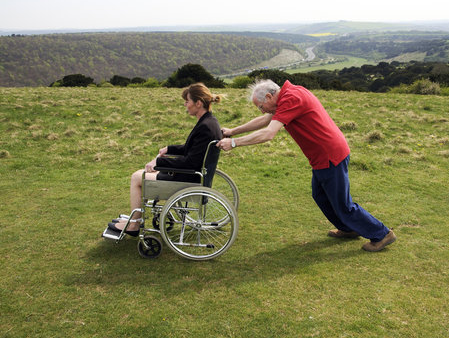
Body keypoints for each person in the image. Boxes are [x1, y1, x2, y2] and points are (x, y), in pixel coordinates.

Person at [217, 79, 396, 252]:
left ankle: (382, 234)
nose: (262, 111)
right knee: (320, 195)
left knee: (343, 204)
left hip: (329, 155)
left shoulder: (291, 99)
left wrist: (234, 143)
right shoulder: (287, 96)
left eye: (260, 106)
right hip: (321, 156)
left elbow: (269, 133)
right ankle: (349, 228)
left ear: (270, 97)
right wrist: (233, 131)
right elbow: (266, 120)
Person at [108, 82, 223, 236]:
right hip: (193, 176)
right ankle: (134, 220)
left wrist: (158, 163)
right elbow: (193, 150)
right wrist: (169, 149)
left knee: (136, 177)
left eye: (187, 101)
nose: (185, 105)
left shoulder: (205, 127)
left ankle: (134, 225)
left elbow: (190, 162)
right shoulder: (210, 122)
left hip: (187, 180)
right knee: (141, 175)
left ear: (198, 103)